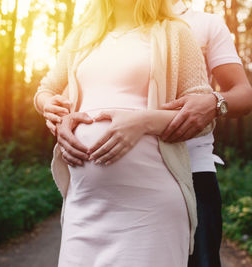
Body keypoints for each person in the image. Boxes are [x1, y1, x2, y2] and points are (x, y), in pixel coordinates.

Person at [33, 0, 216, 266]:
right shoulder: (82, 36)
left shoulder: (175, 32)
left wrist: (142, 122)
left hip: (150, 208)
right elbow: (45, 89)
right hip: (83, 205)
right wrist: (48, 105)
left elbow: (202, 117)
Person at [163, 1, 252, 267]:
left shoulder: (206, 24)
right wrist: (45, 99)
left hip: (194, 171)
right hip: (130, 171)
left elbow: (243, 94)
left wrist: (214, 102)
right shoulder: (115, 25)